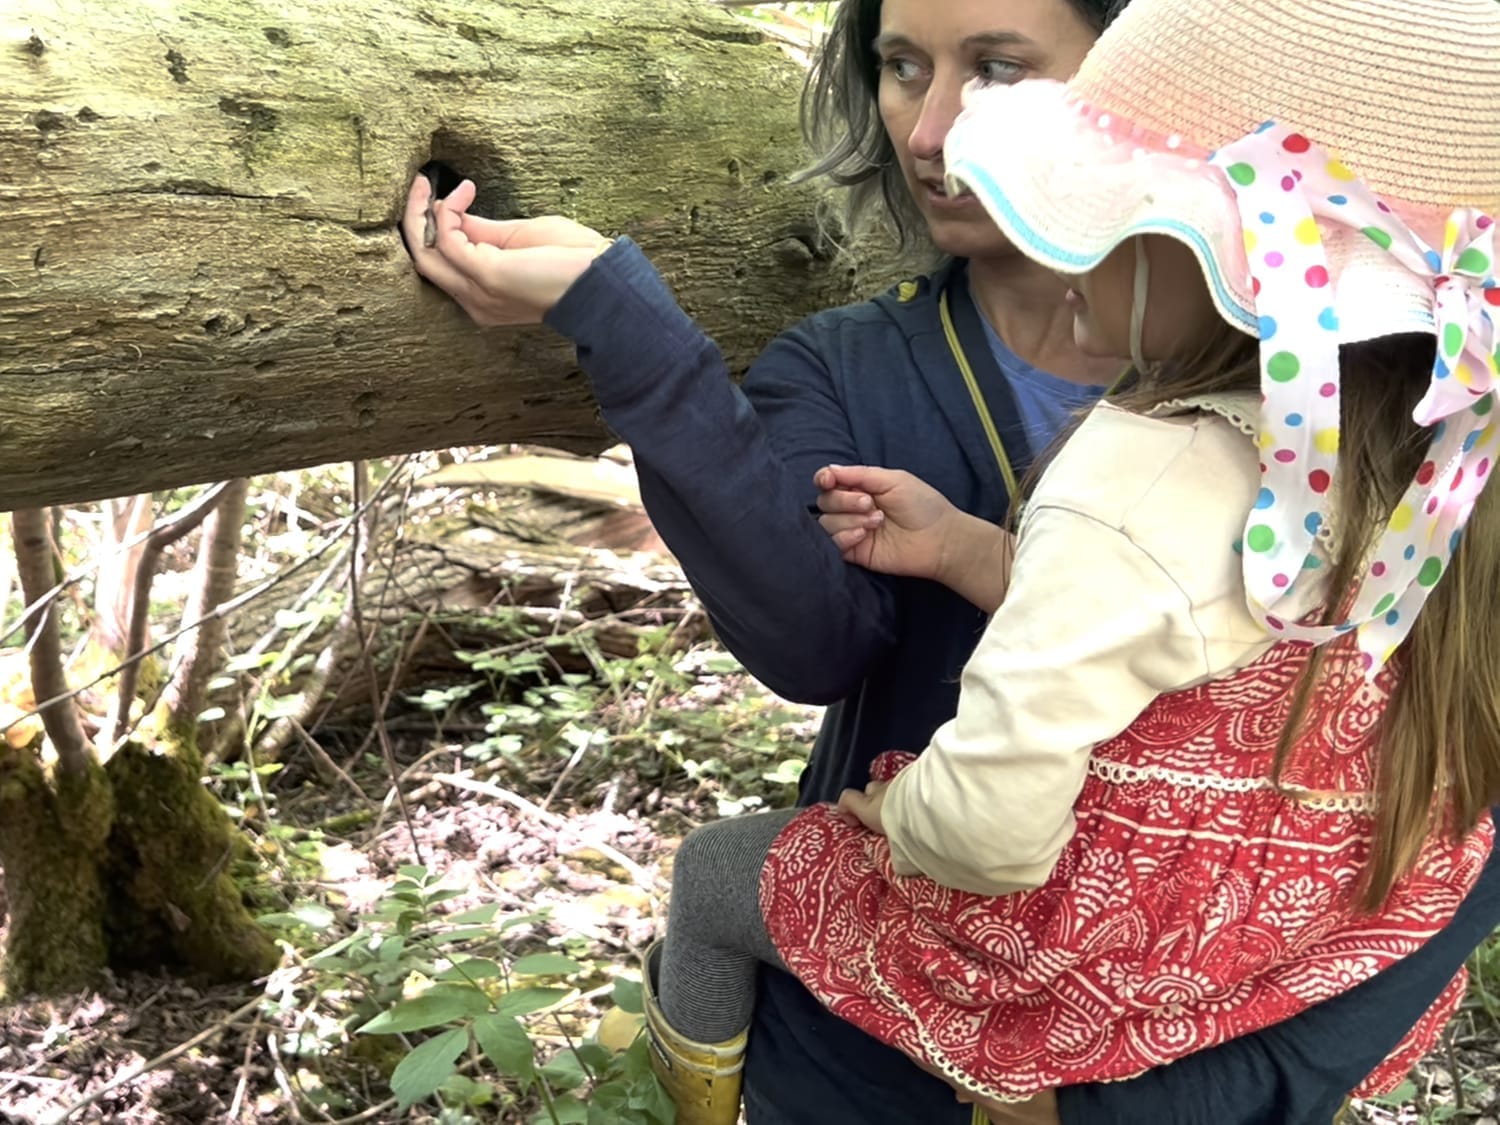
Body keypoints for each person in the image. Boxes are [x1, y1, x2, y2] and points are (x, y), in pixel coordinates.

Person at [397, 0, 1500, 1121]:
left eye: (1000, 70)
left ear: (1114, 67)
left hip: (1081, 1002)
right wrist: (636, 339)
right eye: (900, 66)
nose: (931, 133)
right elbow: (818, 641)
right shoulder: (1425, 449)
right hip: (979, 1039)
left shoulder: (1162, 456)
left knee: (717, 875)